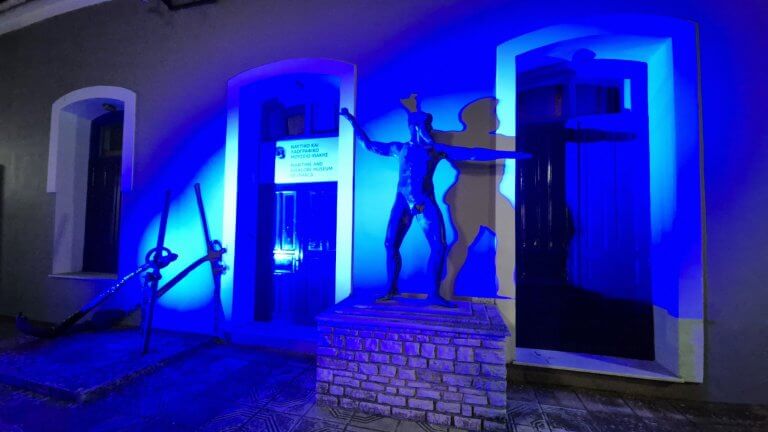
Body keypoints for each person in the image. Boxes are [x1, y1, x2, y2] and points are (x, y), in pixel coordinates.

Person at [340, 99, 530, 307]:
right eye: (427, 125)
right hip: (402, 203)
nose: (431, 129)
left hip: (424, 202)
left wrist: (512, 155)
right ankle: (391, 289)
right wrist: (352, 121)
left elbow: (473, 153)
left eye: (430, 125)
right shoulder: (399, 148)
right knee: (390, 245)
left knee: (439, 246)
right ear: (415, 127)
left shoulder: (435, 149)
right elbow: (368, 145)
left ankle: (434, 295)